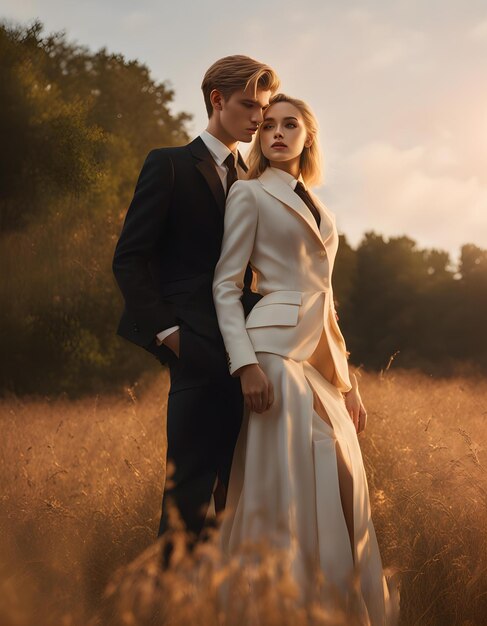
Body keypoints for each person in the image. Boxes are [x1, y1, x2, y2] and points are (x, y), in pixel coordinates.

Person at [212, 93, 399, 623]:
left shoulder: (324, 210)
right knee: (293, 483)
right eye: (266, 124)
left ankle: (332, 607)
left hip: (317, 363)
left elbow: (326, 303)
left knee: (344, 478)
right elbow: (226, 287)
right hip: (269, 353)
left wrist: (350, 381)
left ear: (307, 136)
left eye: (288, 124)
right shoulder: (248, 194)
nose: (275, 132)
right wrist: (243, 363)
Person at [112, 55, 280, 565]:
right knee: (187, 498)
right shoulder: (168, 163)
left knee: (241, 495)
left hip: (253, 350)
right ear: (217, 100)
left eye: (265, 109)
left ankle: (223, 606)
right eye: (249, 105)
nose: (258, 119)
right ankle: (167, 608)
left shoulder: (255, 179)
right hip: (196, 349)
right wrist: (169, 335)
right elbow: (130, 259)